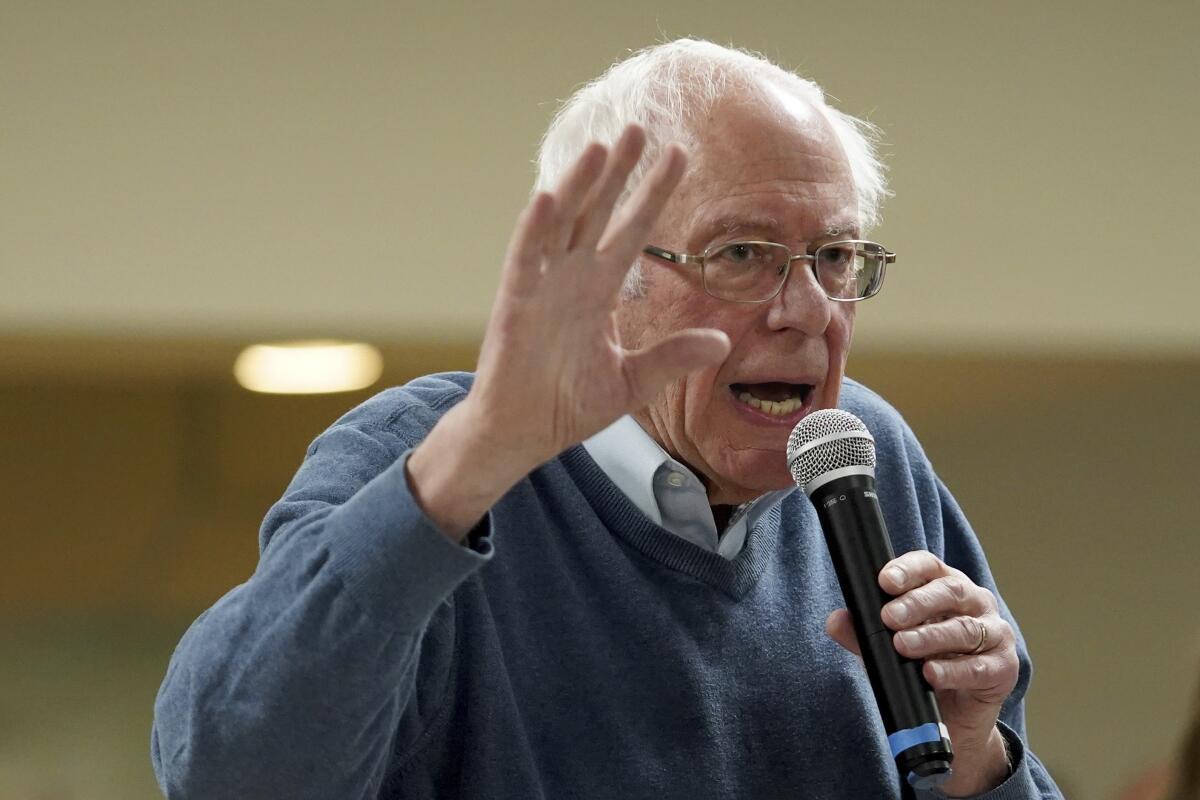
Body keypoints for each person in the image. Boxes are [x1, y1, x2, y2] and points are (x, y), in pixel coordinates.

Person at [152, 39, 1063, 799]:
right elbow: (229, 769)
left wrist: (979, 758)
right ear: (603, 268)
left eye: (833, 256)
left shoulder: (866, 459)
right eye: (743, 253)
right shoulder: (428, 457)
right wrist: (469, 465)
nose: (809, 310)